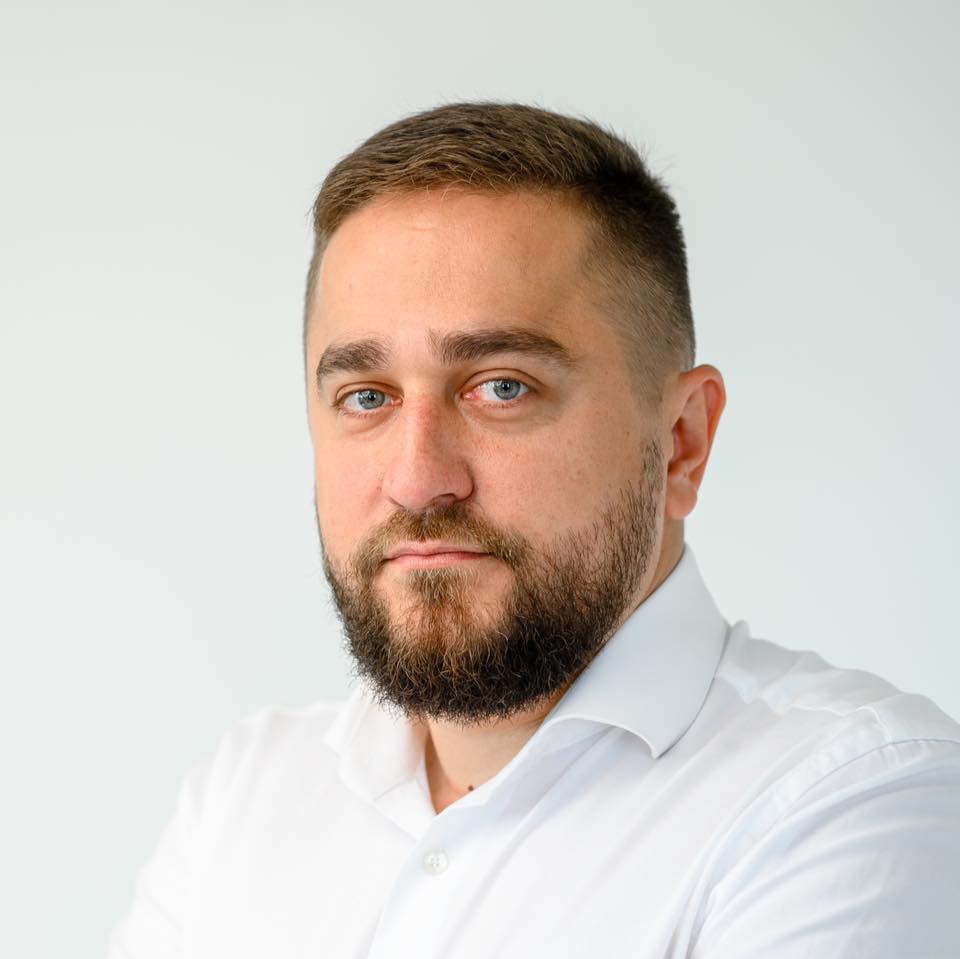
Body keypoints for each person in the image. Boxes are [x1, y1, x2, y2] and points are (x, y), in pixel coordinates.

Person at [108, 103, 960, 958]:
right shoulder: (243, 795)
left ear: (681, 441)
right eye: (367, 396)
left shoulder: (857, 799)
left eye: (502, 386)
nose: (417, 479)